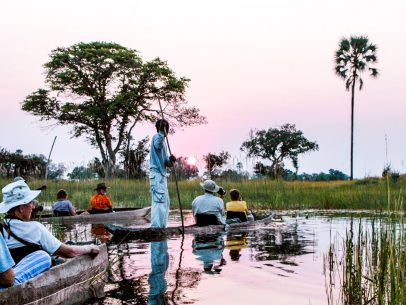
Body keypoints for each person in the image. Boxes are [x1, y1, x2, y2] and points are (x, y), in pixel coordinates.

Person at [0, 180, 99, 265]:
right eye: (30, 203)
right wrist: (89, 248)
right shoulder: (35, 228)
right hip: (31, 274)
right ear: (21, 208)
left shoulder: (2, 226)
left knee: (66, 244)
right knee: (62, 253)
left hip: (16, 269)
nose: (33, 206)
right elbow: (69, 252)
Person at [149, 119, 176, 228]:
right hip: (156, 175)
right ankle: (156, 228)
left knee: (165, 202)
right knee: (159, 201)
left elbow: (166, 163)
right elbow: (158, 145)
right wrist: (161, 131)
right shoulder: (157, 137)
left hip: (162, 176)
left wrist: (172, 161)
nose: (166, 130)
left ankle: (162, 227)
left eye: (166, 128)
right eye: (165, 128)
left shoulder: (164, 143)